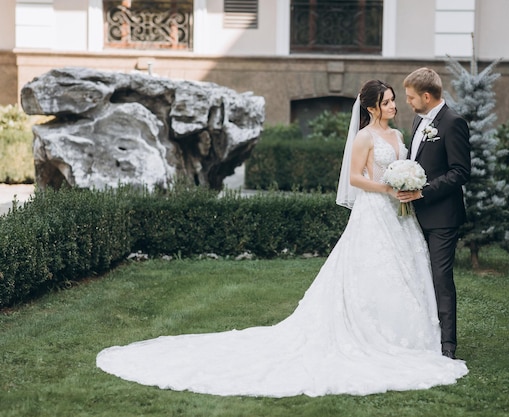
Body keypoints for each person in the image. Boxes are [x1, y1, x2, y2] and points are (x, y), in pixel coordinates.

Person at [96, 80, 468, 397]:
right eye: (387, 101)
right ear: (372, 108)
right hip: (375, 211)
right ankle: (373, 334)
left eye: (393, 100)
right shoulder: (364, 138)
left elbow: (411, 165)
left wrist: (407, 182)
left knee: (408, 271)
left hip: (400, 217)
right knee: (373, 272)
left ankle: (416, 337)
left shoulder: (400, 135)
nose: (394, 106)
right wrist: (386, 188)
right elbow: (355, 179)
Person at [398, 68, 471, 360]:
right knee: (416, 275)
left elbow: (460, 172)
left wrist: (422, 192)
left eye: (411, 97)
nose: (408, 102)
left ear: (426, 96)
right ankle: (424, 335)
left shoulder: (453, 123)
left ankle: (448, 346)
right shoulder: (418, 120)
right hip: (416, 216)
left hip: (442, 216)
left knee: (441, 278)